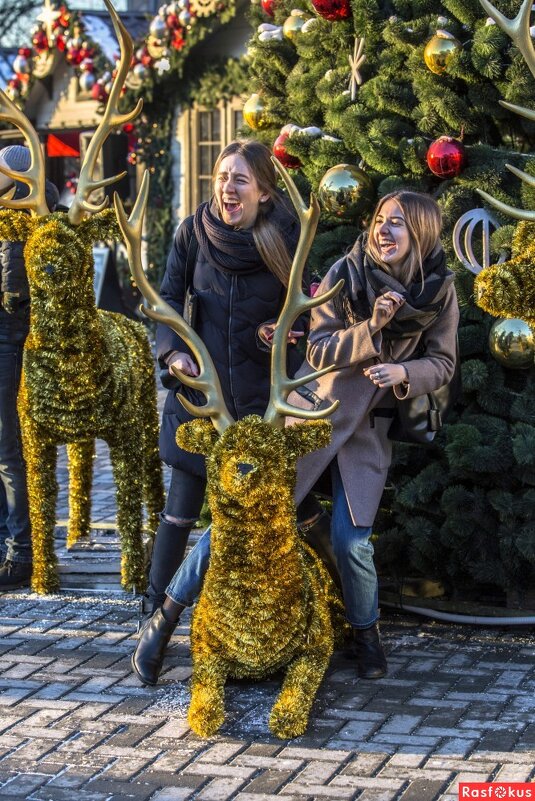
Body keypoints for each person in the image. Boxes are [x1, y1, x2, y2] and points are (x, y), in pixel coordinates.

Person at [132, 189, 459, 687]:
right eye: (380, 220)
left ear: (422, 236)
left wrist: (404, 372)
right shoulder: (344, 275)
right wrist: (372, 329)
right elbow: (321, 349)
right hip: (310, 419)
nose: (384, 231)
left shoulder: (438, 292)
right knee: (245, 516)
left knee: (353, 544)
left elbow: (443, 363)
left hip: (364, 435)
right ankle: (164, 620)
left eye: (399, 224)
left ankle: (366, 635)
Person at [142, 139, 326, 627]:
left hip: (259, 409)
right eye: (223, 177)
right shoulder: (192, 233)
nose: (227, 187)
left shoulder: (286, 238)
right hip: (201, 402)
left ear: (264, 192)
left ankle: (341, 601)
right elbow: (165, 302)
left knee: (296, 505)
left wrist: (282, 336)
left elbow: (307, 316)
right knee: (179, 510)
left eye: (239, 179)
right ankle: (153, 613)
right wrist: (172, 351)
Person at [0, 145, 60, 589]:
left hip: (13, 345)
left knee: (8, 451)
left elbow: (15, 299)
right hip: (9, 340)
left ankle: (20, 553)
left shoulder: (26, 225)